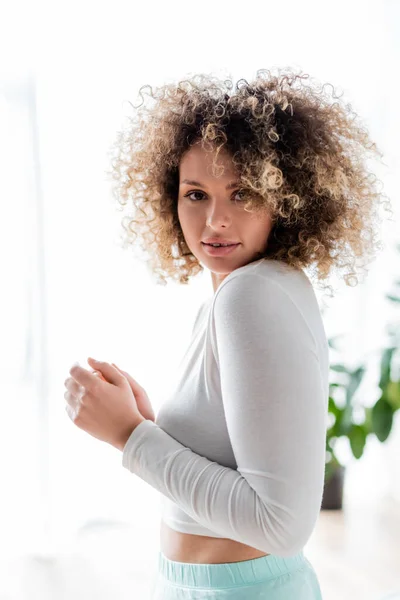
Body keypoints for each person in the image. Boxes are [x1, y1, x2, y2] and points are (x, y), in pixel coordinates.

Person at [107, 67, 390, 599]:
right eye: (196, 194)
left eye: (243, 194)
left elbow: (281, 525)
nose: (215, 219)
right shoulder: (246, 289)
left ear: (286, 200)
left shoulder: (249, 296)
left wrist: (128, 435)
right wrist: (146, 424)